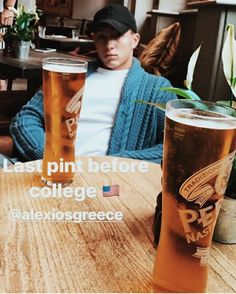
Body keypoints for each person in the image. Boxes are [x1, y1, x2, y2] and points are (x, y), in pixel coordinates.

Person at [7, 4, 176, 165]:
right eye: (102, 37)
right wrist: (50, 156)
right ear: (94, 40)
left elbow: (172, 148)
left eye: (117, 35)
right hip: (54, 172)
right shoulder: (67, 75)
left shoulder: (158, 89)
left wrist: (116, 163)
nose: (109, 45)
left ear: (134, 40)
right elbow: (26, 118)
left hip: (108, 183)